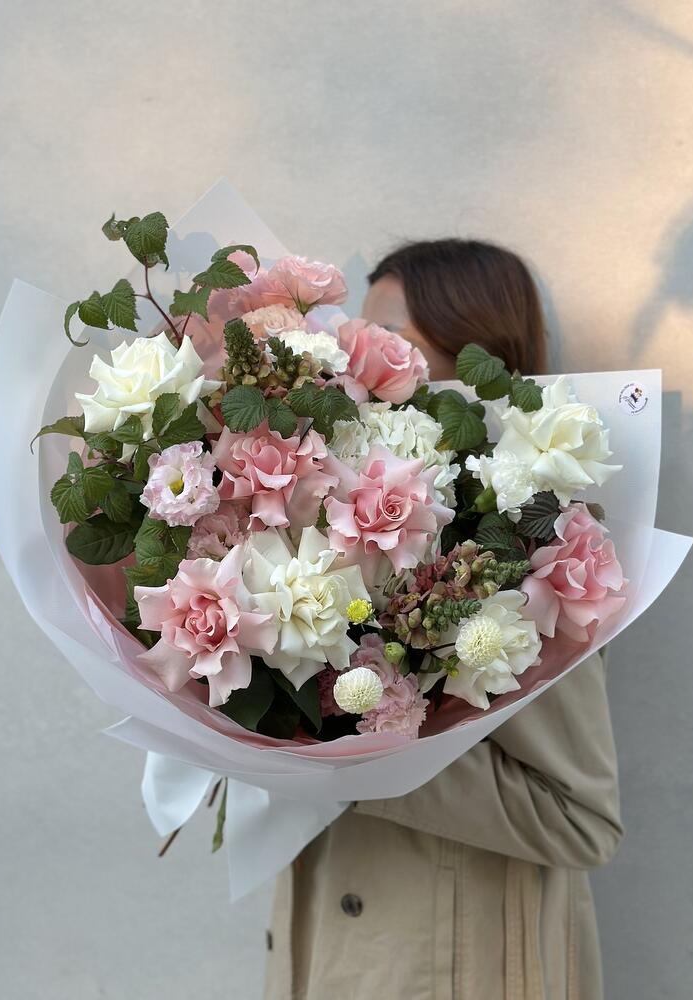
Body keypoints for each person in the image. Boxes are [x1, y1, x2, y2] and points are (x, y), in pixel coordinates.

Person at [263, 239, 623, 1000]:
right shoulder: (328, 518)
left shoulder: (527, 547)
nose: (357, 361)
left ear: (476, 360)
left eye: (391, 340)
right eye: (357, 335)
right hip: (333, 945)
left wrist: (350, 742)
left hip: (459, 962)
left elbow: (580, 819)